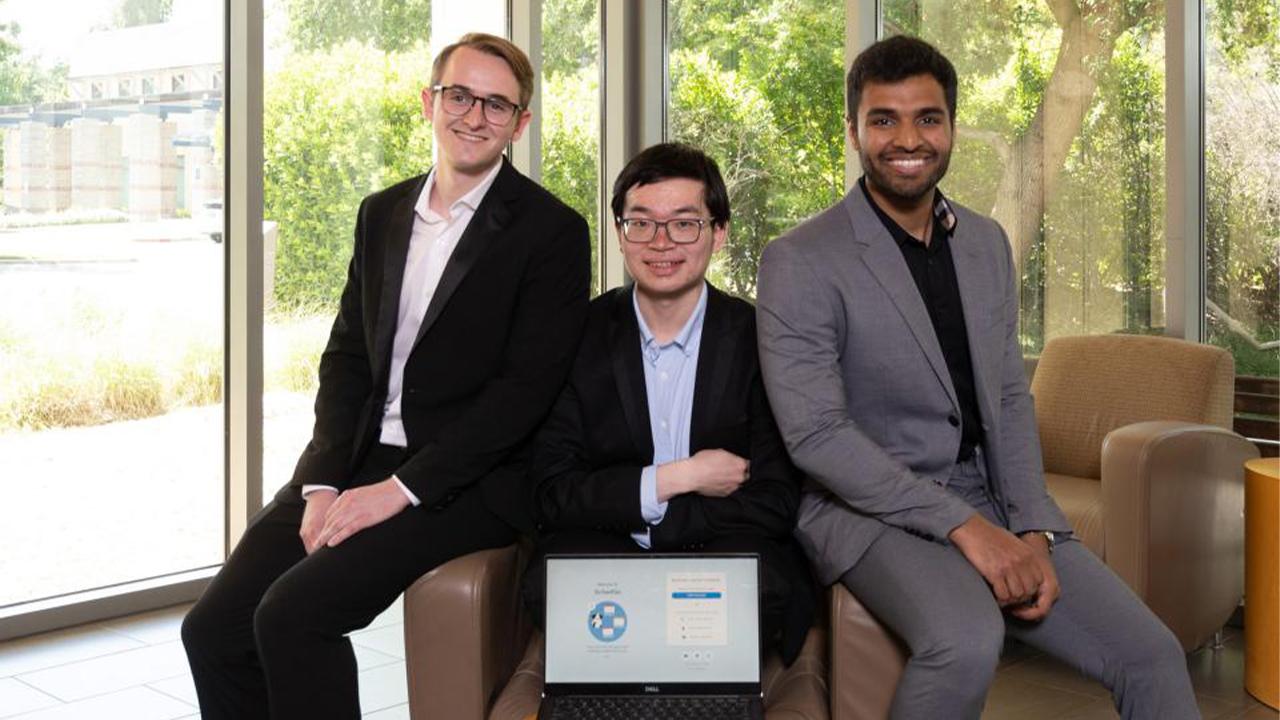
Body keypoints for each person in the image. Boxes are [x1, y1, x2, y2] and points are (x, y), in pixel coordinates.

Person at [755, 35, 1196, 719]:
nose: (909, 138)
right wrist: (965, 527)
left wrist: (1032, 529)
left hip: (994, 497)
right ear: (853, 131)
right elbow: (817, 436)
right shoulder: (801, 259)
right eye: (884, 119)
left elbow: (1009, 398)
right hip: (867, 510)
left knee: (1153, 655)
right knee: (965, 640)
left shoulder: (986, 243)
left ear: (952, 127)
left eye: (928, 118)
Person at [181, 33, 590, 719]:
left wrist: (399, 490)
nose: (474, 115)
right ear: (429, 102)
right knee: (213, 630)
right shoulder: (382, 213)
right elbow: (346, 359)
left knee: (291, 616)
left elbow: (523, 394)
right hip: (359, 459)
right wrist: (322, 482)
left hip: (468, 481)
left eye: (497, 104)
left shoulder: (551, 232)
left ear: (520, 123)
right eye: (460, 95)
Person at [523, 142, 814, 663]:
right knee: (555, 586)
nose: (661, 243)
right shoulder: (575, 336)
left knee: (758, 591)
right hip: (604, 556)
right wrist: (679, 479)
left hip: (722, 554)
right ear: (619, 232)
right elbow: (553, 492)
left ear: (718, 232)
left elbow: (774, 499)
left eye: (684, 224)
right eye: (641, 223)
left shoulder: (759, 339)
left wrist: (657, 528)